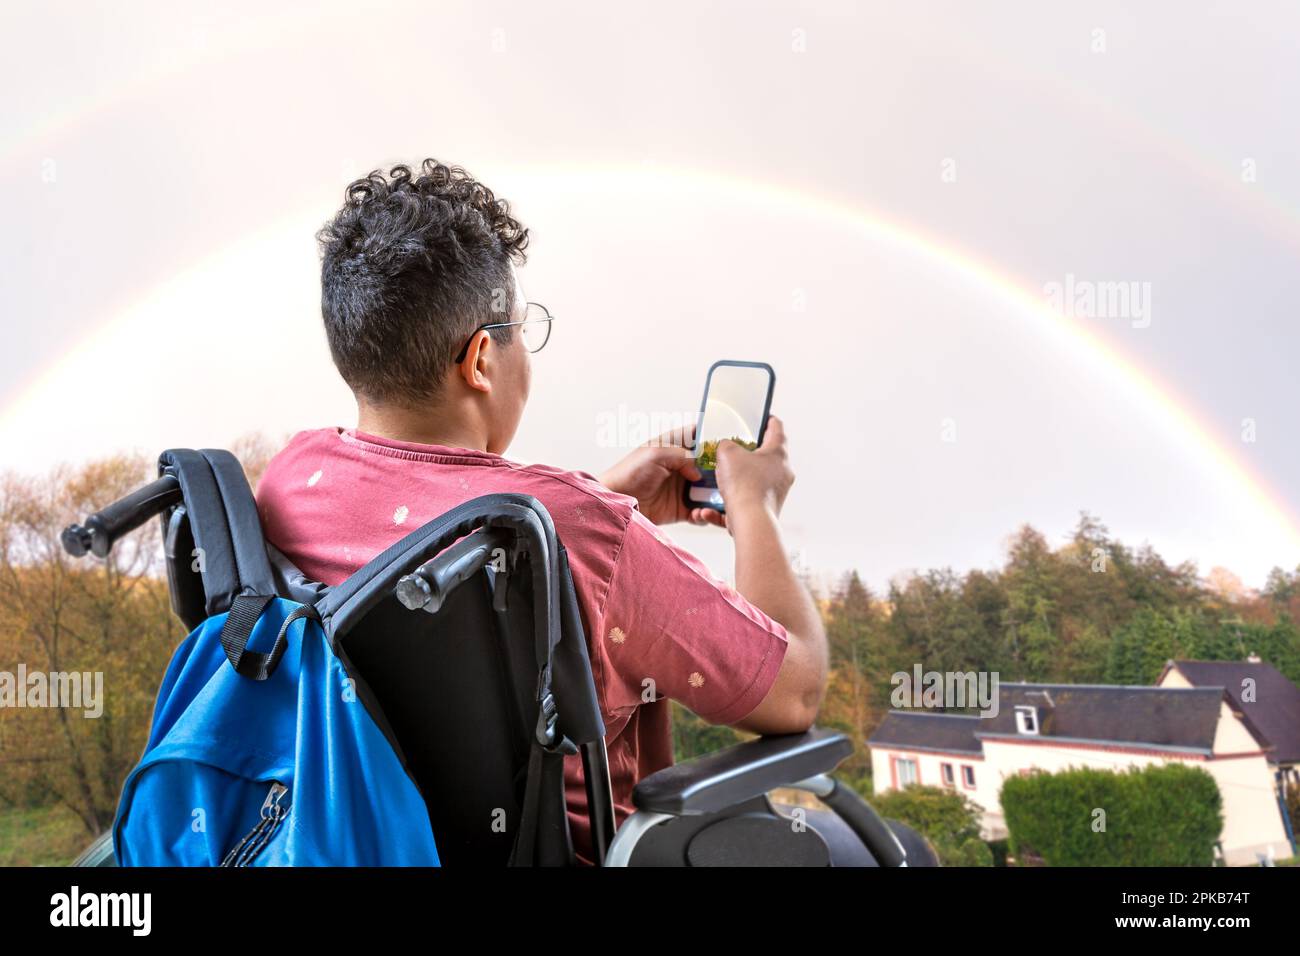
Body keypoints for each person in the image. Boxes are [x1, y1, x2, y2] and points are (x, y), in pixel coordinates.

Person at [255, 158, 829, 865]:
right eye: (523, 329)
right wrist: (754, 503)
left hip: (352, 835)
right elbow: (796, 694)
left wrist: (602, 500)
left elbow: (415, 544)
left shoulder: (292, 476)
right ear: (480, 362)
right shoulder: (582, 529)